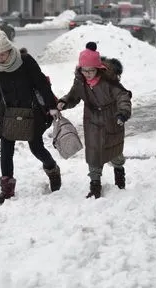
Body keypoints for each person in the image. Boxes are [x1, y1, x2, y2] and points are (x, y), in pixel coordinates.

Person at [0, 26, 62, 205]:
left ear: (9, 49)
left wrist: (51, 106)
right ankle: (7, 189)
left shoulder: (25, 61)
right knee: (6, 150)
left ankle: (52, 169)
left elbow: (42, 84)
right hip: (9, 113)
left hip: (32, 111)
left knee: (36, 148)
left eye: (2, 54)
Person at [57, 42, 132, 199]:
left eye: (91, 70)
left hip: (112, 118)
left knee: (115, 152)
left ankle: (120, 177)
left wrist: (123, 113)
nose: (87, 74)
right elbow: (73, 97)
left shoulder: (108, 82)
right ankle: (95, 186)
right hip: (92, 121)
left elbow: (123, 96)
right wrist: (64, 102)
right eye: (84, 70)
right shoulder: (80, 81)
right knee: (93, 153)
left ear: (98, 68)